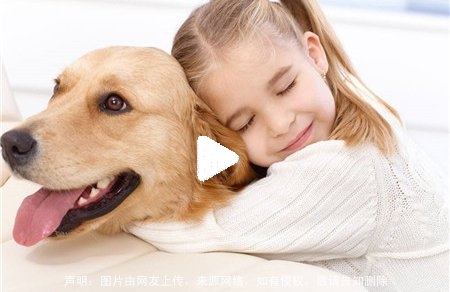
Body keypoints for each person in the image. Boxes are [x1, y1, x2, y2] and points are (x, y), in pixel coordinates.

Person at [128, 1, 449, 291]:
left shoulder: (351, 168)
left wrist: (124, 208)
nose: (281, 124)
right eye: (245, 123)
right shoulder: (355, 106)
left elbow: (207, 231)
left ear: (314, 54)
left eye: (285, 87)